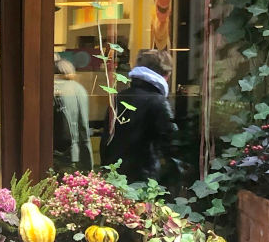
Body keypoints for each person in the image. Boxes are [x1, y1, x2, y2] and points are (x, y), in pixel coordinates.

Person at [100, 48, 178, 183]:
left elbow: (106, 140)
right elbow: (172, 145)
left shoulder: (119, 97)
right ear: (165, 74)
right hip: (146, 179)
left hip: (116, 177)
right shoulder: (158, 101)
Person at [53, 56, 92, 170]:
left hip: (56, 152)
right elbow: (84, 127)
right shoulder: (80, 89)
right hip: (76, 152)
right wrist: (88, 164)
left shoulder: (53, 89)